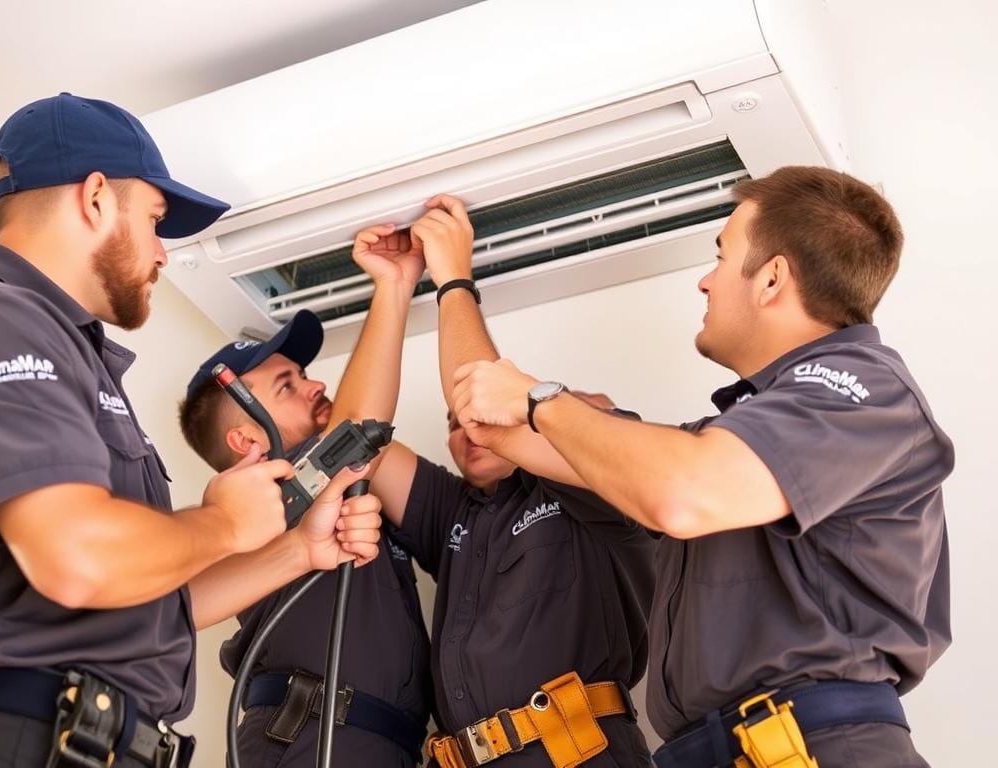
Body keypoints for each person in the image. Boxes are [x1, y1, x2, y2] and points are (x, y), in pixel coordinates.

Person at [0, 92, 383, 768]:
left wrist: (296, 553)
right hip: (18, 739)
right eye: (156, 220)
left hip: (80, 741)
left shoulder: (64, 353)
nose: (163, 253)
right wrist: (220, 524)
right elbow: (78, 559)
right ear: (96, 197)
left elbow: (145, 604)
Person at [449, 167, 953, 767]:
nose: (705, 282)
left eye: (720, 255)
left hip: (812, 751)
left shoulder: (863, 391)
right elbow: (492, 426)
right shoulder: (719, 445)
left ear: (772, 278)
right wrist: (452, 280)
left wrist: (540, 399)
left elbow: (681, 493)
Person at [328, 197, 657, 767]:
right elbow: (351, 446)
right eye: (451, 427)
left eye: (474, 415)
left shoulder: (583, 481)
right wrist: (395, 286)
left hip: (575, 752)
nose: (466, 432)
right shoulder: (454, 512)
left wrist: (453, 277)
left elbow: (491, 415)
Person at [179, 310, 432, 767]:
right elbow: (357, 426)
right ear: (246, 440)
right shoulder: (271, 496)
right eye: (287, 386)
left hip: (370, 742)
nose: (315, 386)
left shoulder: (344, 486)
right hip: (308, 738)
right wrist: (394, 285)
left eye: (303, 376)